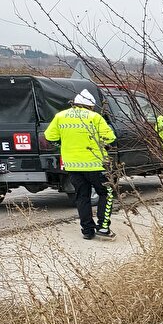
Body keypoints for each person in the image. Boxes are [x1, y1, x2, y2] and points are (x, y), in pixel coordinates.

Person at [44, 89, 118, 240]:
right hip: (95, 165)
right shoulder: (94, 117)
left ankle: (87, 231)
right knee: (106, 193)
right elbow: (110, 138)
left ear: (76, 103)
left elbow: (49, 136)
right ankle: (103, 228)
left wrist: (63, 145)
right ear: (90, 105)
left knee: (82, 197)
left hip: (73, 165)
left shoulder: (60, 116)